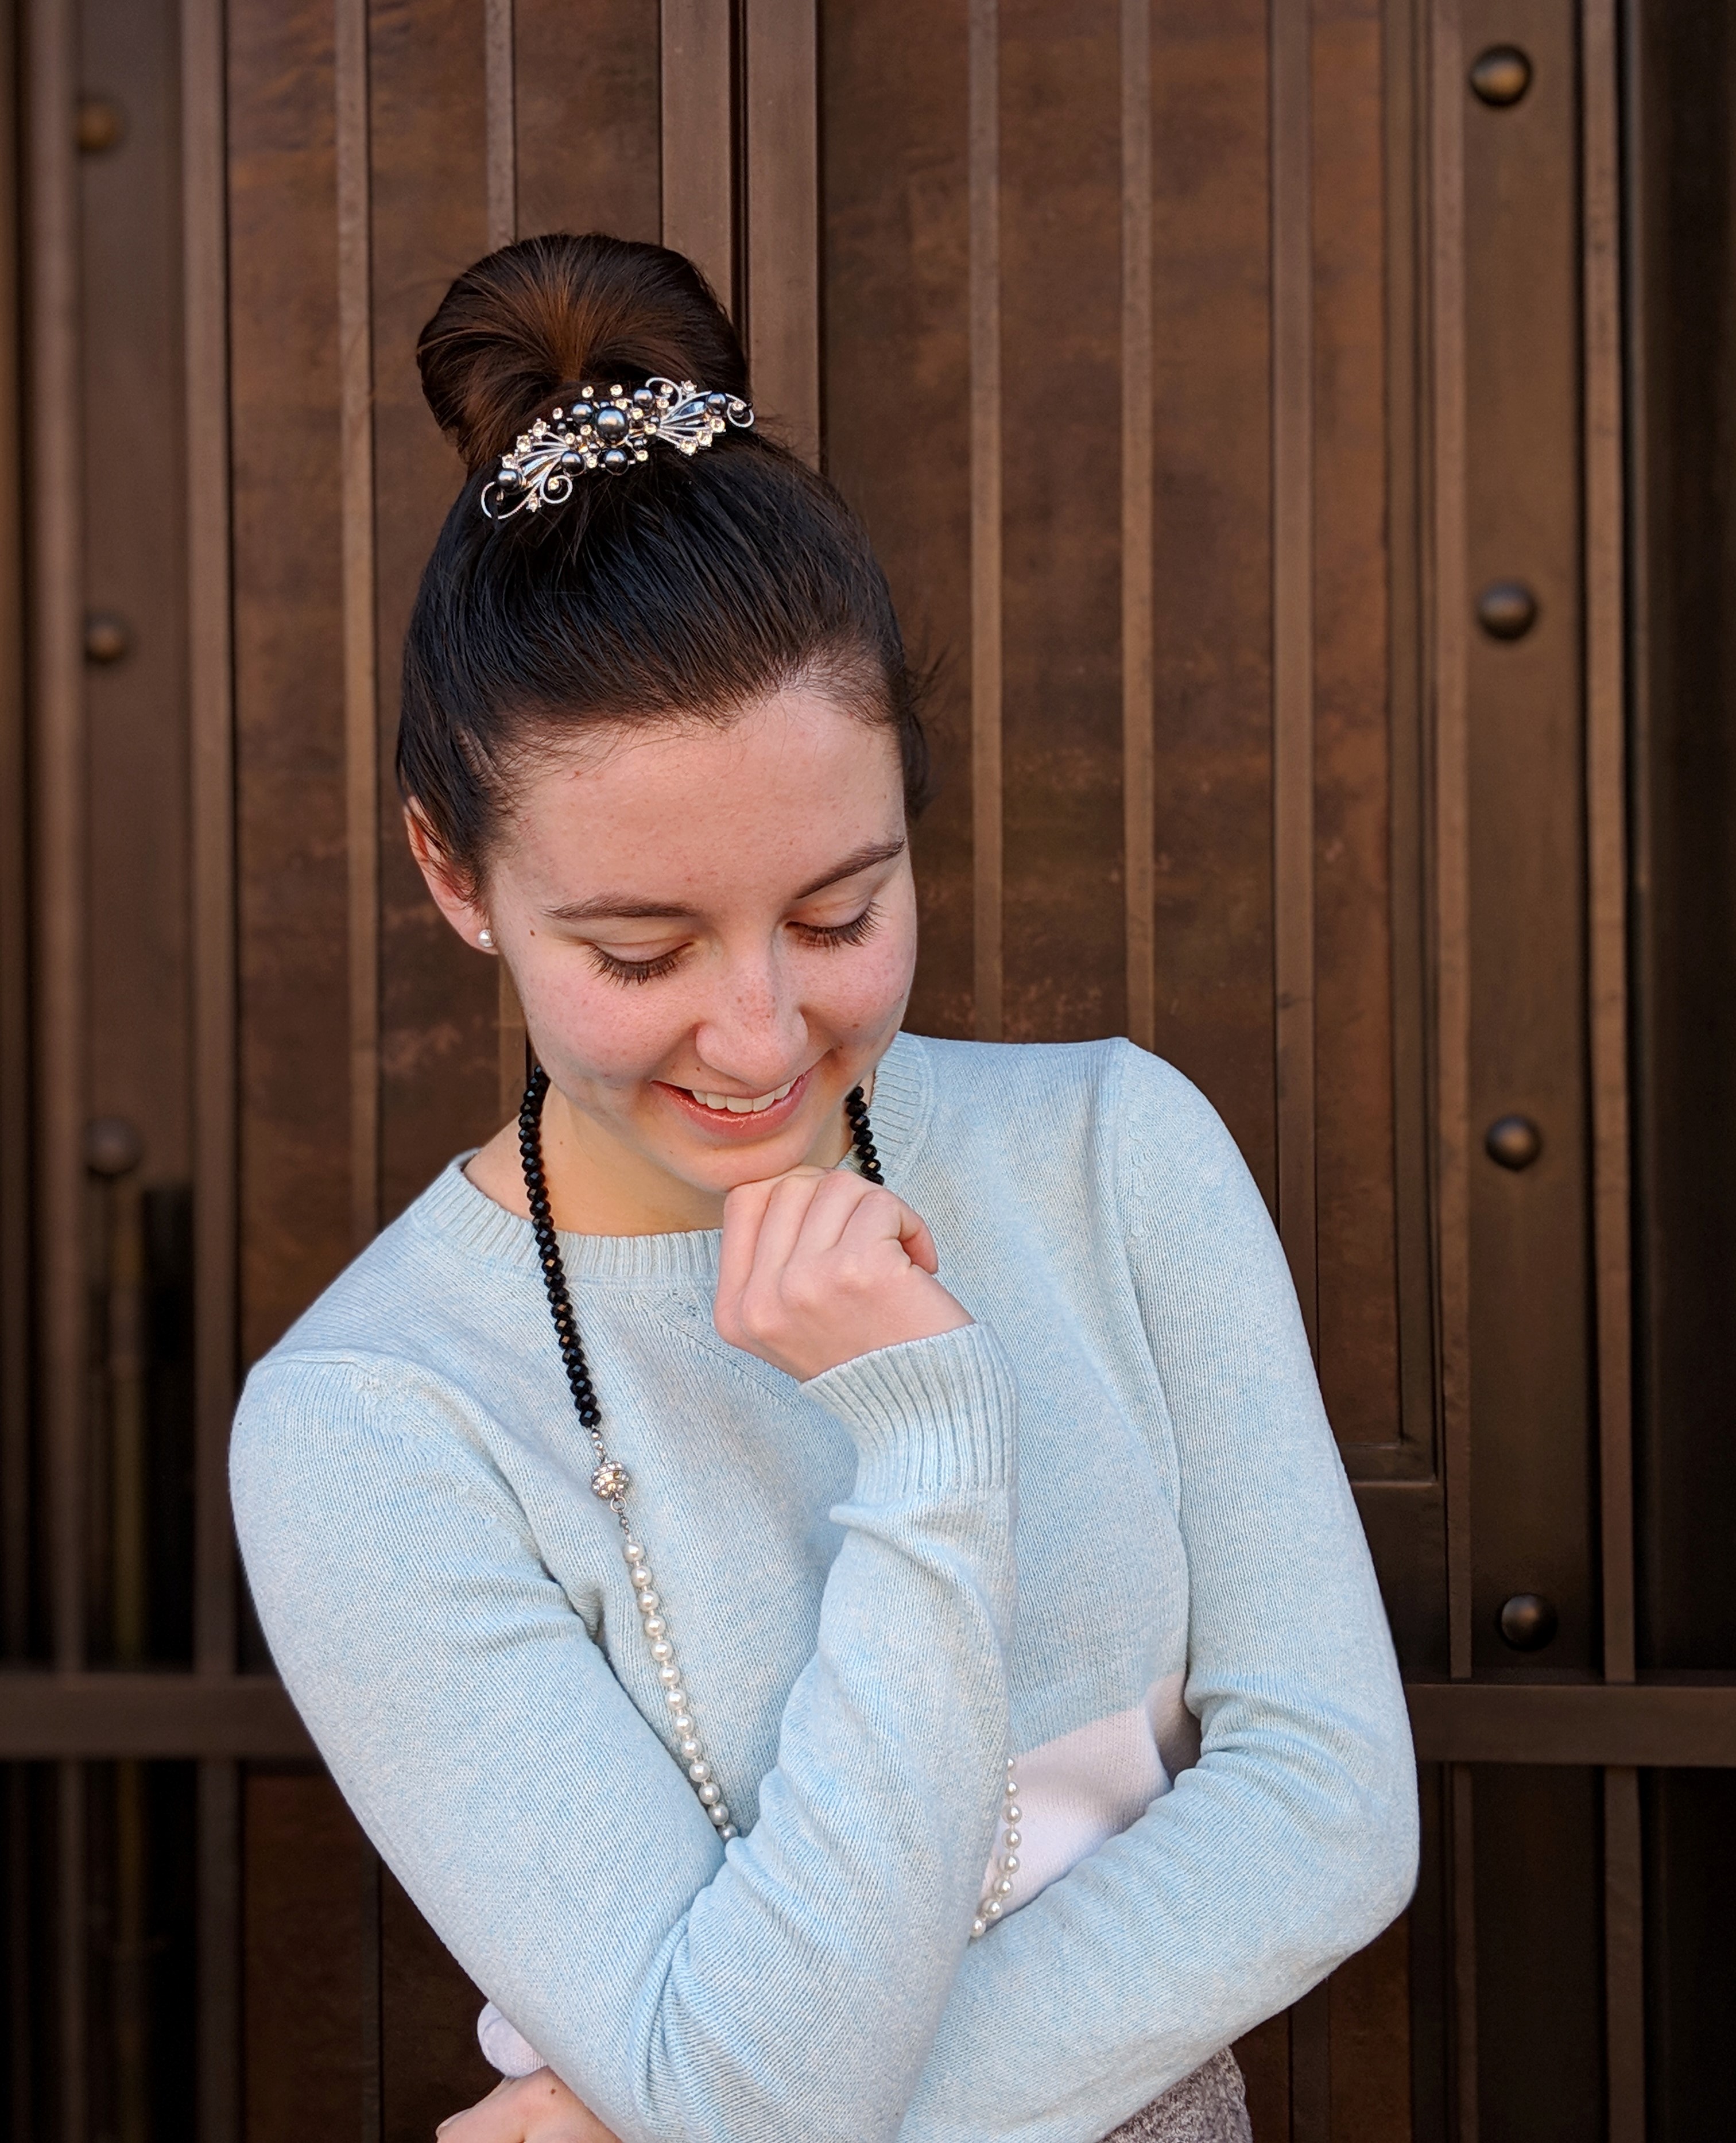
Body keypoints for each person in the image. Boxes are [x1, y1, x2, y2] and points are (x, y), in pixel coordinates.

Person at [230, 232, 1417, 2143]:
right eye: (640, 954)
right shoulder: (372, 1422)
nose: (764, 1035)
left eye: (839, 911)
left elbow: (1333, 1804)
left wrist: (704, 2115)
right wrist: (933, 1444)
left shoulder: (1113, 1154)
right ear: (455, 877)